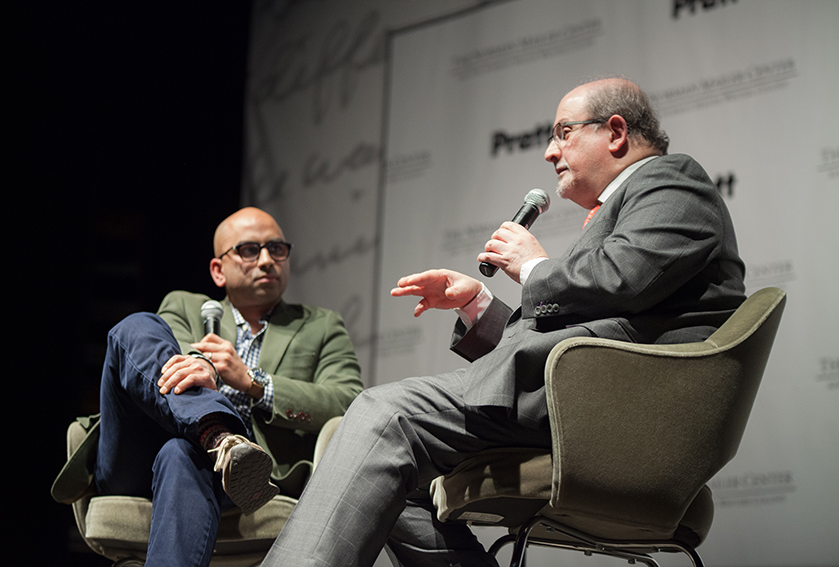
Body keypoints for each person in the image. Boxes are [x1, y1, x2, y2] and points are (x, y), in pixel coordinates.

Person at [260, 77, 747, 567]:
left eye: (562, 132)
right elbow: (589, 322)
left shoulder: (670, 180)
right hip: (577, 397)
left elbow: (624, 280)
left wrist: (534, 266)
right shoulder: (632, 200)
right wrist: (479, 306)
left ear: (616, 132)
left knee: (383, 416)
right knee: (382, 470)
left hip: (609, 414)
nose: (549, 152)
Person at [70, 207, 363, 566]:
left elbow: (348, 401)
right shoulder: (183, 306)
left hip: (248, 476)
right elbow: (164, 368)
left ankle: (215, 441)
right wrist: (205, 364)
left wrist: (255, 383)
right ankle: (219, 435)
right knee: (136, 326)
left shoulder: (321, 325)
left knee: (181, 453)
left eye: (277, 249)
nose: (267, 260)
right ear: (217, 270)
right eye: (250, 250)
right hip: (138, 456)